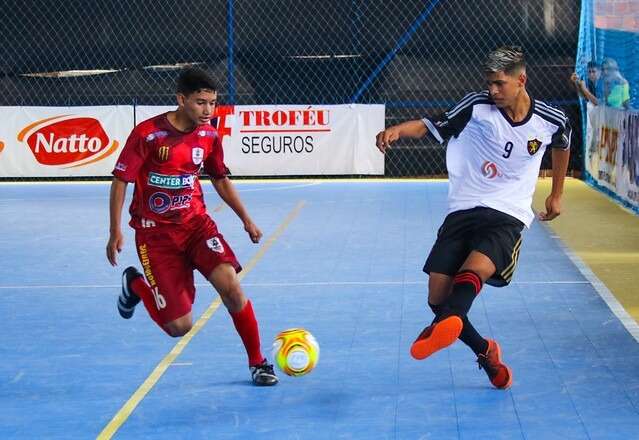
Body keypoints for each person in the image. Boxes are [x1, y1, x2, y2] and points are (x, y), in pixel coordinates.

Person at [375, 46, 571, 389]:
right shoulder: (476, 107)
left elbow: (562, 142)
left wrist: (557, 192)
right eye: (490, 83)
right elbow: (430, 125)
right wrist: (397, 131)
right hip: (464, 208)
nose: (493, 90)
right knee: (437, 298)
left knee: (472, 272)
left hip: (508, 213)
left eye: (499, 83)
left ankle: (449, 321)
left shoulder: (550, 118)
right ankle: (485, 351)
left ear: (521, 80)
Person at [106, 67, 278, 386]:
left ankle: (258, 362)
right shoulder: (148, 134)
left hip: (197, 226)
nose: (208, 110)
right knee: (179, 327)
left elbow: (220, 178)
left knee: (231, 287)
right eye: (200, 102)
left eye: (212, 103)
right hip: (155, 235)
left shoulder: (210, 135)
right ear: (181, 99)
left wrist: (246, 219)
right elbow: (120, 181)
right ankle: (135, 284)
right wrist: (115, 230)